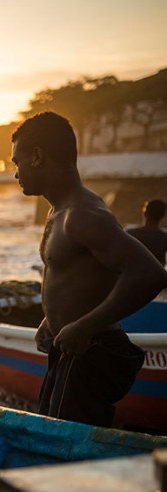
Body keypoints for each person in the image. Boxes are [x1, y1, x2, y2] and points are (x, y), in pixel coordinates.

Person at [11, 112, 167, 427]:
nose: (16, 173)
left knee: (65, 457)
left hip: (88, 354)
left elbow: (150, 274)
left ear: (38, 156)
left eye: (18, 162)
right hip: (70, 348)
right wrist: (50, 319)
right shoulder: (59, 210)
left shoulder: (83, 215)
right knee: (50, 439)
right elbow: (80, 275)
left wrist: (83, 326)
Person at [126, 199, 167, 266]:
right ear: (163, 215)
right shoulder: (164, 238)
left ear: (145, 212)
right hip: (156, 275)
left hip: (134, 274)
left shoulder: (131, 233)